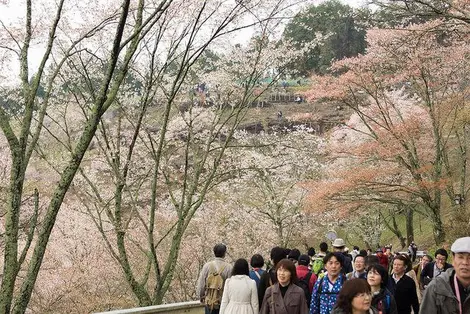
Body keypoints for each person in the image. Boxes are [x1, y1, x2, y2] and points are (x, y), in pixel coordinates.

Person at [420, 236, 470, 313]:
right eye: (460, 257)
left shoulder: (447, 267)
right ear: (453, 259)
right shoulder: (435, 287)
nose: (465, 262)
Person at [197, 243, 233, 314]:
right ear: (224, 253)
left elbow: (201, 285)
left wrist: (201, 296)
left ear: (214, 252)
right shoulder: (229, 268)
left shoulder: (207, 266)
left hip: (209, 302)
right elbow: (231, 287)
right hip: (223, 302)